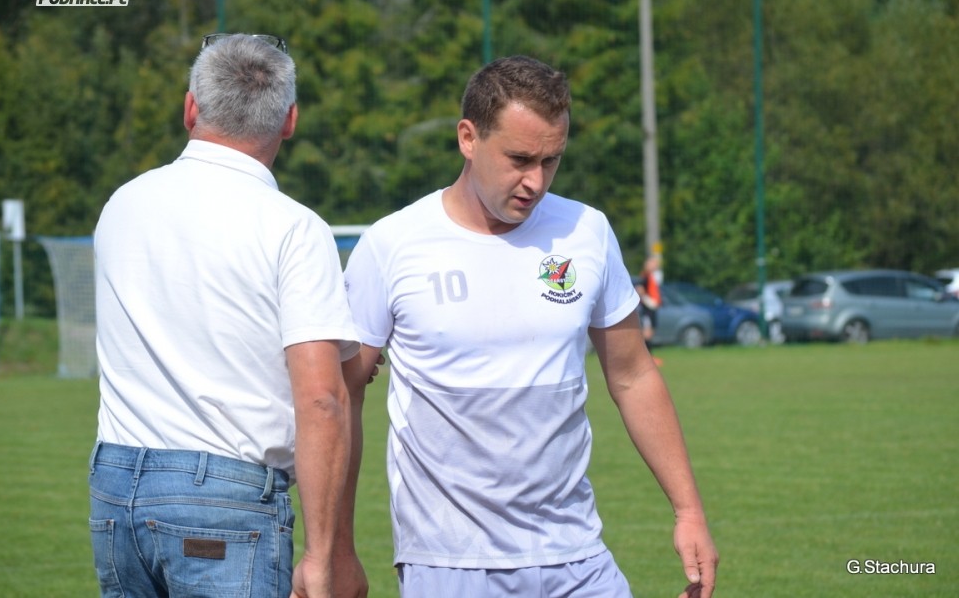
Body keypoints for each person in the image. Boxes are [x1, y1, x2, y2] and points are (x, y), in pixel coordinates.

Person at [342, 55, 717, 598]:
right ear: (468, 138)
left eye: (551, 160)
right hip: (451, 565)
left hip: (578, 557)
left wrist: (689, 512)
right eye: (519, 159)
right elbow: (341, 394)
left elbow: (634, 376)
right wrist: (334, 547)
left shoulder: (587, 231)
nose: (535, 181)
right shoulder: (392, 245)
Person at [90, 33, 366, 598]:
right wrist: (321, 556)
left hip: (116, 485)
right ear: (289, 120)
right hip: (225, 493)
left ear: (190, 107)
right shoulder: (293, 228)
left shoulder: (123, 203)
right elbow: (321, 398)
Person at [638, 253, 663, 365]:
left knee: (650, 332)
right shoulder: (645, 276)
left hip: (652, 308)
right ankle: (647, 358)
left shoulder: (653, 276)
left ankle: (649, 357)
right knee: (646, 333)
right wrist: (649, 301)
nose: (655, 265)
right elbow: (640, 290)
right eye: (653, 262)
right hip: (647, 309)